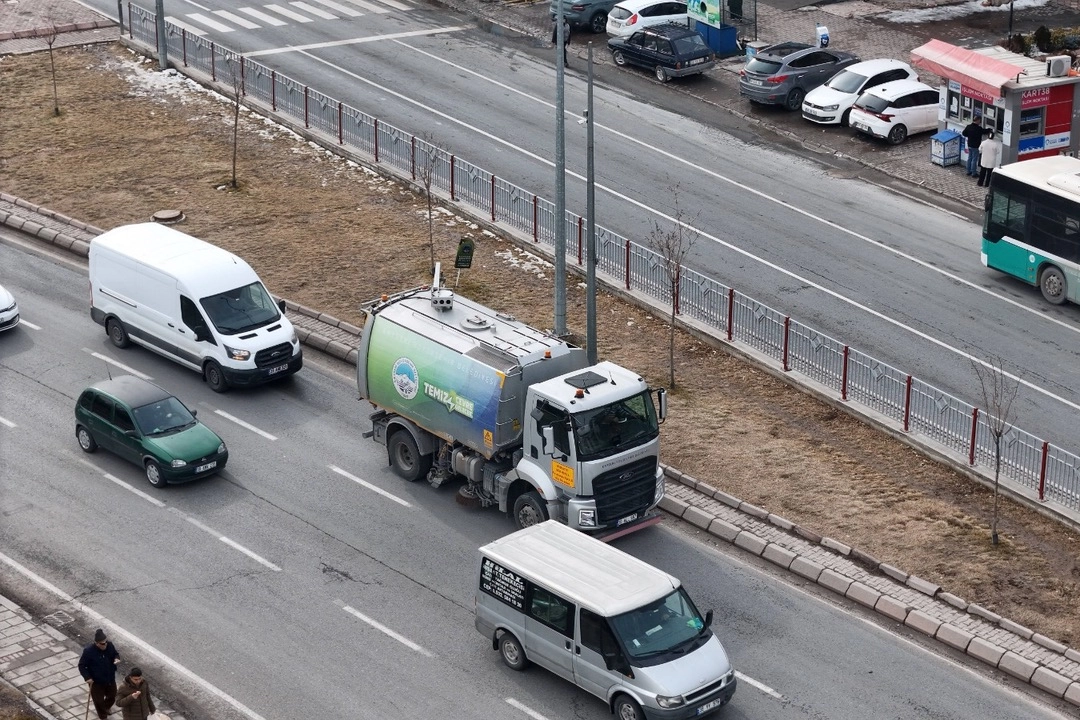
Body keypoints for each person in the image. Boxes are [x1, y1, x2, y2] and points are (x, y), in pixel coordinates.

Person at [78, 628, 121, 720]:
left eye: (106, 642)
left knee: (112, 695)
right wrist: (87, 677)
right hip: (96, 681)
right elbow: (82, 665)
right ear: (97, 643)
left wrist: (117, 658)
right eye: (102, 643)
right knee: (98, 701)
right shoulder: (89, 651)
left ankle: (106, 707)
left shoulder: (110, 645)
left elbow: (116, 654)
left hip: (110, 677)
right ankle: (103, 716)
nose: (105, 644)